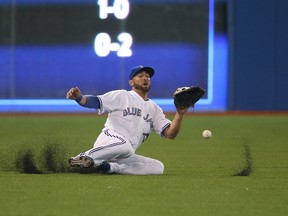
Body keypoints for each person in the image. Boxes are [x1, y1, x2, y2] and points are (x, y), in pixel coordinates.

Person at [66, 65, 189, 175]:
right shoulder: (122, 96)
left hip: (124, 153)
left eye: (147, 76)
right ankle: (85, 156)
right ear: (131, 82)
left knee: (158, 167)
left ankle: (110, 168)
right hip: (110, 139)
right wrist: (79, 97)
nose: (145, 78)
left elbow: (170, 133)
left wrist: (179, 113)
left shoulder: (154, 108)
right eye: (140, 76)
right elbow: (95, 101)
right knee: (126, 147)